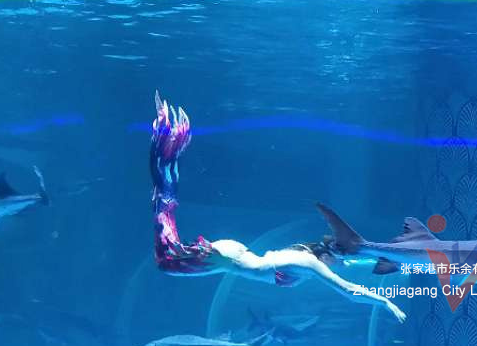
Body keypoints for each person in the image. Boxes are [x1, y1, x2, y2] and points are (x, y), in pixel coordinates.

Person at [149, 94, 405, 322]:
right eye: (339, 260)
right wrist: (385, 302)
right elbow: (348, 290)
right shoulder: (308, 262)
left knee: (167, 244)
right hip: (230, 257)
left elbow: (354, 264)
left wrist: (401, 263)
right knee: (165, 255)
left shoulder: (313, 258)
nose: (341, 264)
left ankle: (169, 150)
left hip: (233, 256)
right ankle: (167, 144)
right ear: (328, 256)